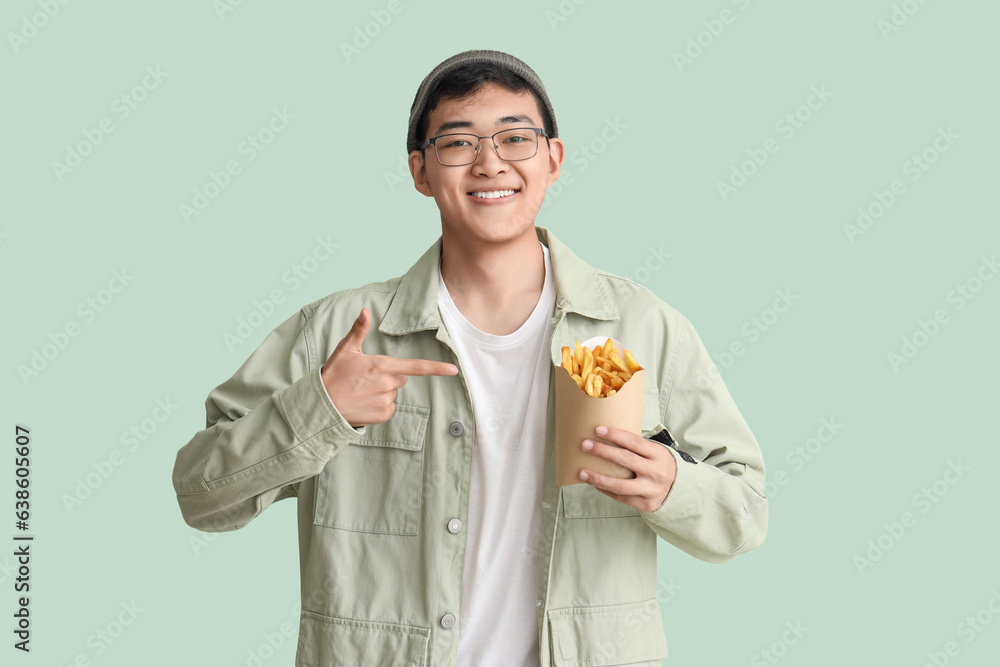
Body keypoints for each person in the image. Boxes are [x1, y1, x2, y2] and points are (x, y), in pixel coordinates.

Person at [172, 49, 768, 667]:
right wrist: (320, 408)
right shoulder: (340, 332)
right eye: (458, 142)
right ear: (420, 170)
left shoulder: (640, 327)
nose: (490, 163)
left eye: (516, 138)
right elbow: (200, 493)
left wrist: (673, 486)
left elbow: (745, 515)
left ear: (553, 159)